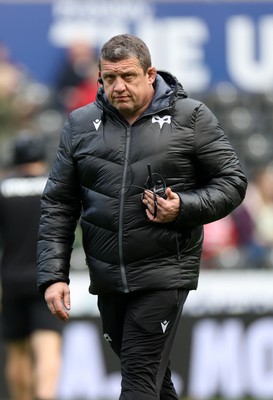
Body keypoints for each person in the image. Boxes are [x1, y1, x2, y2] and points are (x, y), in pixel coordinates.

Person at [37, 34, 247, 400]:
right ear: (99, 77)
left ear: (150, 74)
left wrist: (183, 207)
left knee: (137, 381)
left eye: (128, 76)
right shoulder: (79, 125)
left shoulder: (191, 117)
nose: (118, 86)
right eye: (109, 78)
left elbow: (232, 182)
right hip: (108, 279)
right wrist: (53, 275)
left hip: (164, 273)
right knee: (153, 382)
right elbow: (58, 203)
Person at [0, 134, 63, 400]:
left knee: (17, 352)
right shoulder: (54, 186)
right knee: (47, 348)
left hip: (11, 280)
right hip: (48, 279)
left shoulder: (3, 189)